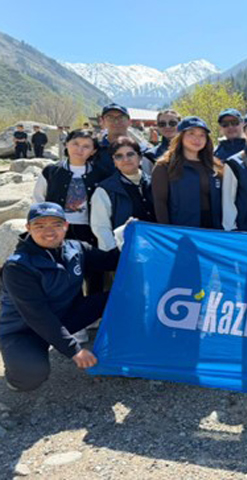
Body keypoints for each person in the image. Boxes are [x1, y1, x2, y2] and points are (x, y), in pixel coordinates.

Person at [0, 203, 119, 392]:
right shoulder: (18, 267)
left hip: (64, 316)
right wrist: (74, 350)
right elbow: (38, 315)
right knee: (32, 374)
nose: (49, 232)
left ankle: (121, 352)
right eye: (39, 225)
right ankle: (16, 372)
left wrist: (131, 237)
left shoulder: (76, 249)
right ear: (28, 228)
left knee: (121, 298)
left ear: (66, 225)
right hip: (24, 330)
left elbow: (112, 260)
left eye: (56, 224)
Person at [33, 129, 108, 246]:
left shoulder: (100, 174)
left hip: (87, 229)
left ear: (93, 151)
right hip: (55, 227)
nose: (79, 149)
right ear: (66, 144)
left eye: (86, 146)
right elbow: (38, 199)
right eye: (75, 144)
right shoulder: (51, 171)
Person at [152, 116, 224, 229]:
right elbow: (160, 203)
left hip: (213, 229)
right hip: (182, 230)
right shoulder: (164, 166)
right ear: (180, 136)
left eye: (202, 135)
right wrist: (167, 232)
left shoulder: (215, 165)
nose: (197, 139)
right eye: (191, 133)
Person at [91, 137, 155, 251]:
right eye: (119, 156)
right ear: (114, 162)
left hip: (155, 248)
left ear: (140, 157)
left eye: (130, 154)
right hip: (124, 252)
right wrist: (115, 253)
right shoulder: (105, 190)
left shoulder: (155, 184)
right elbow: (101, 228)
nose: (126, 159)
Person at [97, 103, 148, 175]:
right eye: (110, 117)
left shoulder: (142, 150)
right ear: (102, 122)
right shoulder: (94, 151)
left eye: (121, 117)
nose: (116, 121)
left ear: (129, 122)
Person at [143, 110, 181, 174]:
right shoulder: (150, 156)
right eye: (162, 124)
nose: (167, 126)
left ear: (181, 124)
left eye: (172, 123)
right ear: (158, 126)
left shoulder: (193, 150)